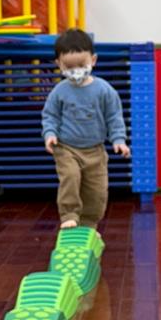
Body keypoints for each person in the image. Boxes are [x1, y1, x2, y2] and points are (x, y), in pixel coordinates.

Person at [42, 29, 130, 229]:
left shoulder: (104, 90)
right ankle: (69, 214)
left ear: (93, 60)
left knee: (97, 191)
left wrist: (119, 140)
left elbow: (114, 117)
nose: (76, 71)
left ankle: (89, 223)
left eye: (82, 65)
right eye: (69, 67)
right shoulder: (59, 91)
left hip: (95, 150)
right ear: (59, 64)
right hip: (66, 148)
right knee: (70, 176)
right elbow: (50, 115)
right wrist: (50, 134)